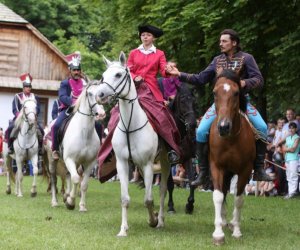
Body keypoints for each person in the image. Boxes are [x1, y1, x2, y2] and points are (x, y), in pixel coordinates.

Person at [167, 29, 273, 185]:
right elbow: (200, 78)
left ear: (234, 43)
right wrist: (179, 74)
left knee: (262, 128)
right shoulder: (217, 60)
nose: (220, 44)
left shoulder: (247, 58)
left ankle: (258, 169)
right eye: (220, 41)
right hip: (219, 104)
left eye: (224, 41)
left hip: (241, 102)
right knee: (201, 130)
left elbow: (259, 79)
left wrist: (244, 83)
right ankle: (203, 172)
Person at [98, 24, 182, 179]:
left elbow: (163, 70)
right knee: (114, 115)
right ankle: (112, 150)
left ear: (153, 38)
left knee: (164, 117)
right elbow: (127, 69)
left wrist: (169, 70)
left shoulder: (159, 54)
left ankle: (170, 150)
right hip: (133, 90)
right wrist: (135, 75)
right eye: (143, 35)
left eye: (148, 35)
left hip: (150, 91)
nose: (145, 37)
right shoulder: (134, 53)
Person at [51, 51, 85, 160]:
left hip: (84, 110)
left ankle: (97, 151)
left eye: (78, 70)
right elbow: (62, 97)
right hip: (68, 110)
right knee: (56, 126)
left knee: (98, 125)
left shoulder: (84, 83)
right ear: (70, 71)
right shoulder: (65, 83)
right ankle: (55, 149)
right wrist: (74, 102)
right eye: (74, 70)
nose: (76, 72)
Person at [5, 73, 44, 155]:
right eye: (26, 86)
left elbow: (38, 108)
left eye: (30, 86)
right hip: (19, 118)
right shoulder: (17, 96)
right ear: (23, 87)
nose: (28, 88)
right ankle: (10, 146)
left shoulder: (35, 97)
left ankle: (40, 147)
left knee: (41, 130)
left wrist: (34, 114)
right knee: (10, 128)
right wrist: (19, 116)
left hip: (32, 118)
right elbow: (15, 109)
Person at [281, 122, 300, 199]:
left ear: (296, 129)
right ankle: (290, 192)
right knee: (288, 176)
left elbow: (293, 149)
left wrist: (287, 149)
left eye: (293, 128)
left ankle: (293, 193)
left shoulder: (297, 137)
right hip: (287, 159)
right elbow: (283, 149)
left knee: (293, 176)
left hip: (294, 159)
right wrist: (287, 149)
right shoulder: (287, 138)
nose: (291, 129)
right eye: (290, 128)